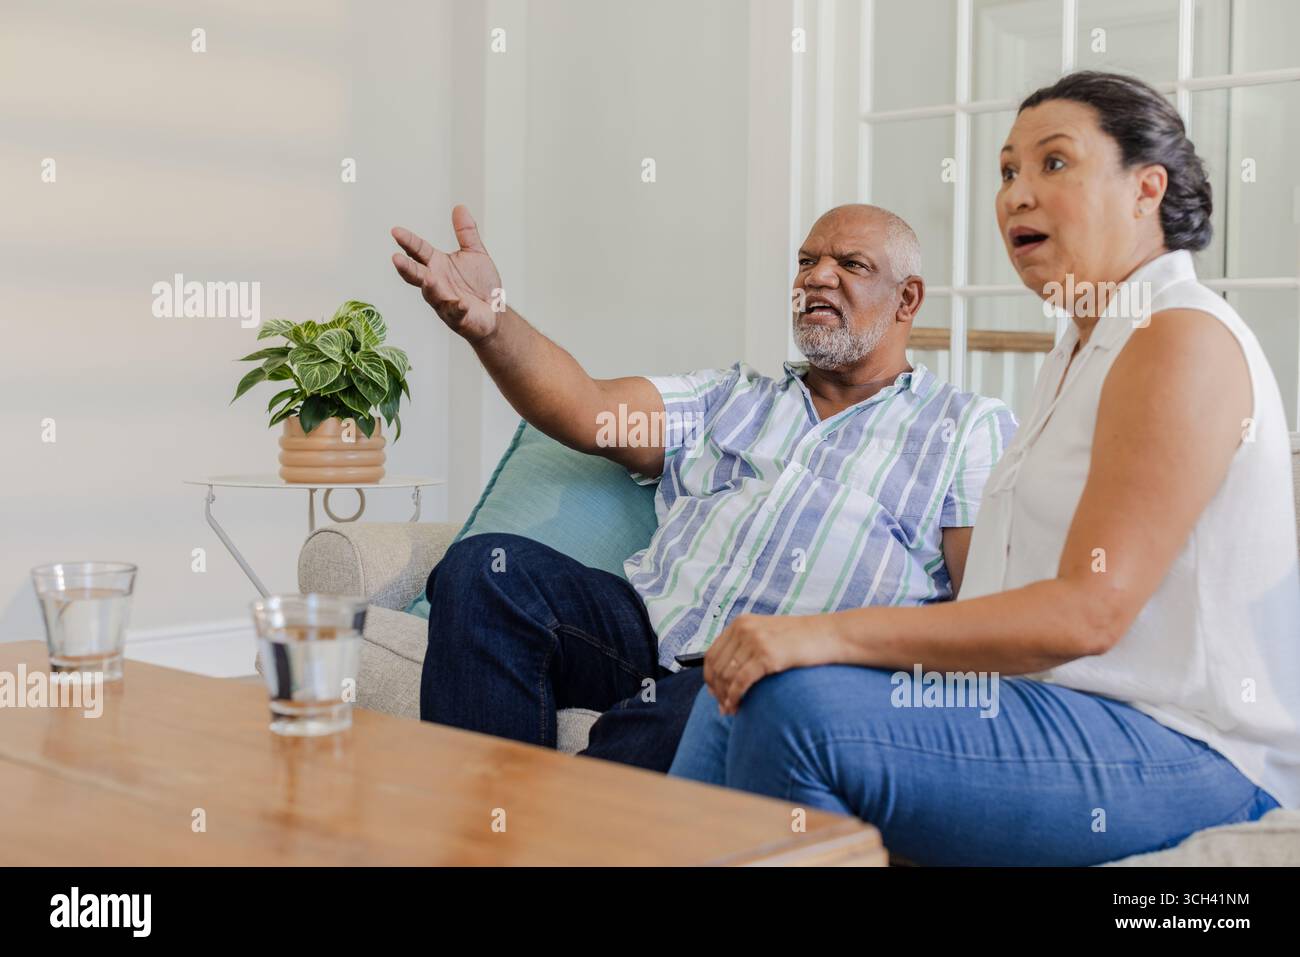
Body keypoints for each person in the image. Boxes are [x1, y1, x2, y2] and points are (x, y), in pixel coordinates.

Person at [668, 71, 1300, 865]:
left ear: (1147, 189)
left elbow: (1087, 614)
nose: (1017, 195)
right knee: (735, 685)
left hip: (1192, 749)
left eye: (1054, 163)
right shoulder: (1079, 347)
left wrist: (822, 635)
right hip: (1052, 711)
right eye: (1007, 171)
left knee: (796, 708)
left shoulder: (1178, 338)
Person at [390, 203, 1015, 771]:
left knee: (703, 706)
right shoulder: (731, 397)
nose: (817, 277)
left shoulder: (965, 427)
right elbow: (586, 407)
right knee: (485, 570)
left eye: (850, 263)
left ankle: (553, 829)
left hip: (784, 674)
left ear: (907, 300)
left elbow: (985, 609)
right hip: (643, 634)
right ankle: (489, 827)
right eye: (806, 261)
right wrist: (491, 323)